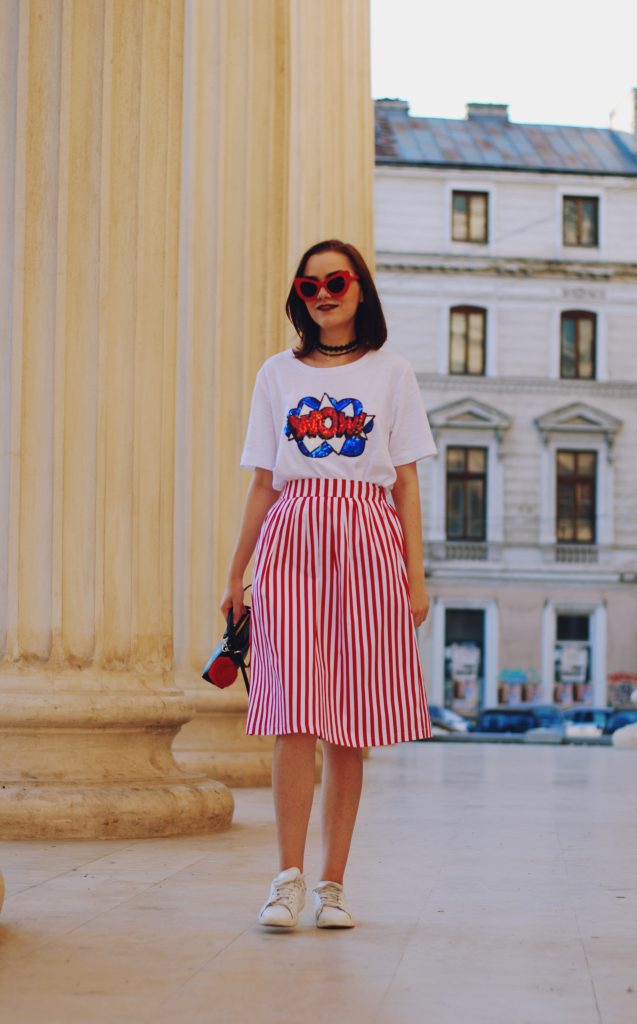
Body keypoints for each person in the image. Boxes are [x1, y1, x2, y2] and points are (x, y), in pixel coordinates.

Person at [220, 239, 437, 930]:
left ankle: (332, 885)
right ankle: (285, 879)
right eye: (309, 284)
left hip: (368, 535)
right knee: (290, 713)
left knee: (350, 719)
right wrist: (236, 571)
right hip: (292, 533)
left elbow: (404, 481)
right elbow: (262, 480)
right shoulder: (275, 375)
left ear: (360, 289)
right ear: (299, 295)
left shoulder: (393, 372)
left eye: (336, 281)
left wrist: (416, 576)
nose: (323, 293)